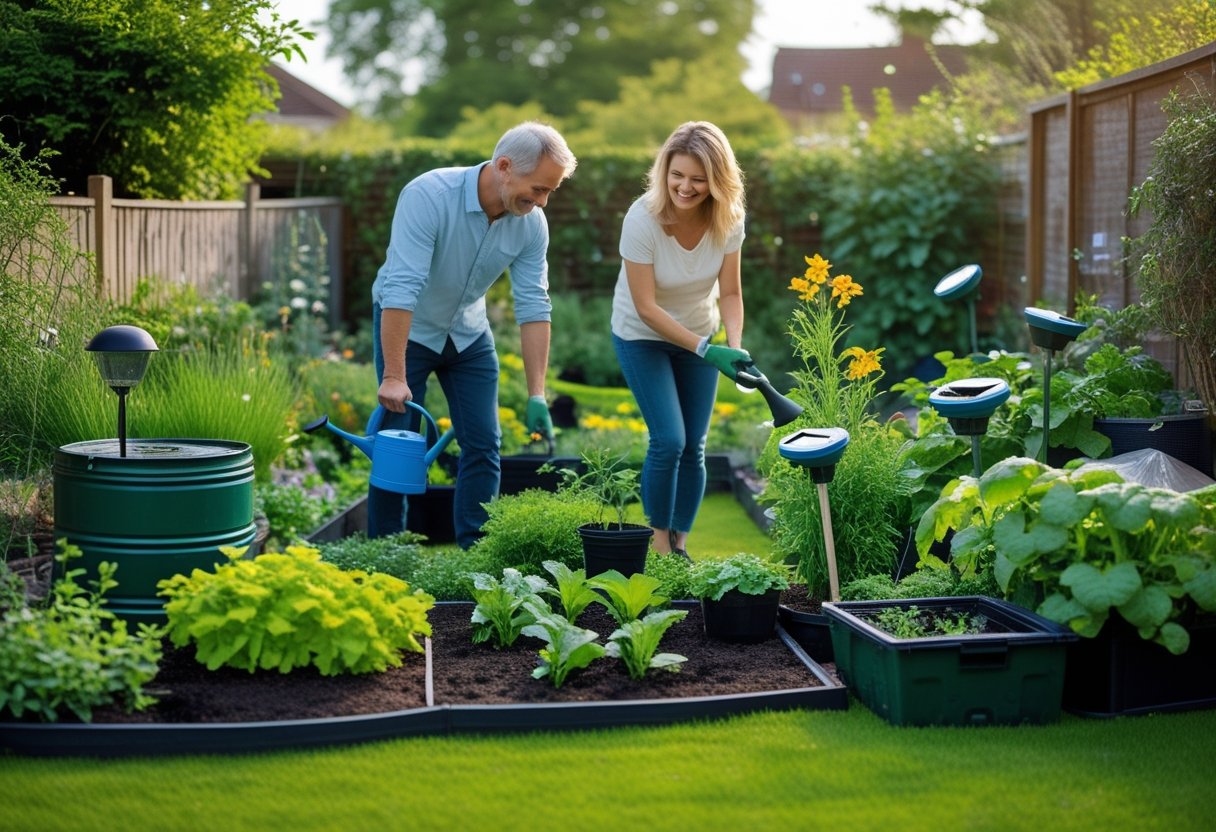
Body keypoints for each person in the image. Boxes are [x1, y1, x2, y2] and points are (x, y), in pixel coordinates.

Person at [369, 122, 578, 547]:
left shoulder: (531, 223)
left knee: (484, 444)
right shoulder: (428, 196)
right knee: (398, 446)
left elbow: (535, 305)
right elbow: (401, 288)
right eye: (538, 189)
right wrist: (394, 374)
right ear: (504, 167)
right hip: (408, 328)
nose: (542, 202)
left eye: (549, 192)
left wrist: (537, 393)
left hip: (468, 334)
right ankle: (387, 554)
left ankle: (477, 555)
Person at [610, 121, 750, 559]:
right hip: (641, 335)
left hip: (700, 333)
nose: (684, 187)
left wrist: (733, 344)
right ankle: (658, 546)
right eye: (677, 175)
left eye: (697, 178)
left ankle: (681, 544)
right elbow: (647, 307)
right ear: (663, 170)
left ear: (717, 179)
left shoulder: (729, 220)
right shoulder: (642, 219)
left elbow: (730, 291)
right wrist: (707, 349)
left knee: (695, 446)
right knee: (669, 439)